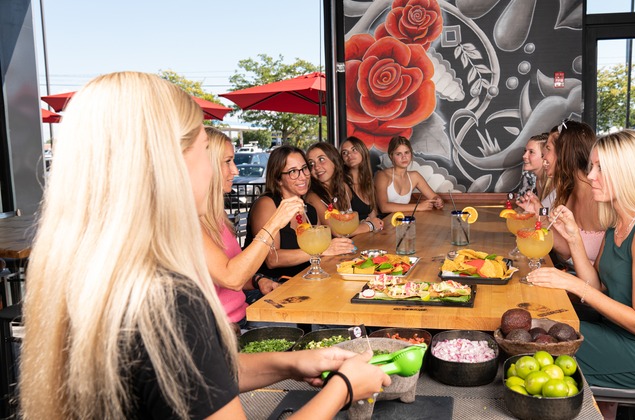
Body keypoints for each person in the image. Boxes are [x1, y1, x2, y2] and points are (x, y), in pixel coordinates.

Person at [18, 72, 390, 419]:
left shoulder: (100, 273)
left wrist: (294, 362)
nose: (220, 171)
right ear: (168, 164)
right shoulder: (169, 301)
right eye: (203, 149)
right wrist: (343, 388)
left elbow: (196, 374)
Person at [527, 130, 635, 420]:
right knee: (534, 329)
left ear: (629, 173)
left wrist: (572, 283)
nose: (591, 175)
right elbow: (600, 287)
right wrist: (574, 240)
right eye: (593, 166)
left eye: (601, 168)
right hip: (616, 333)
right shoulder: (619, 222)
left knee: (533, 346)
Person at [200, 127, 304, 330]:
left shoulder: (218, 217)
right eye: (228, 161)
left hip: (244, 312)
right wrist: (274, 223)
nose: (236, 171)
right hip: (224, 328)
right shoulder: (190, 220)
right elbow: (232, 278)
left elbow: (238, 271)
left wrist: (258, 281)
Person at [246, 145, 355, 280]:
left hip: (304, 282)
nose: (303, 177)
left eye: (304, 169)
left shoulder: (310, 210)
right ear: (278, 179)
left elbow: (321, 254)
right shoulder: (267, 204)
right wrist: (321, 250)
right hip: (272, 287)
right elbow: (272, 259)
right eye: (293, 171)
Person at [518, 121, 603, 264]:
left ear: (564, 153)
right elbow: (567, 251)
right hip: (571, 277)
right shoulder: (568, 192)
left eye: (548, 149)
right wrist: (540, 214)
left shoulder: (601, 197)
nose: (544, 157)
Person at [306, 141, 383, 236]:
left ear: (334, 160)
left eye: (321, 159)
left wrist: (363, 222)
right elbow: (338, 232)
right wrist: (370, 225)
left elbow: (348, 224)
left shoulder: (343, 187)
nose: (316, 167)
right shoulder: (313, 197)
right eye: (311, 164)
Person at [374, 136, 444, 214]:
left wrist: (438, 201)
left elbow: (434, 197)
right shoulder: (382, 175)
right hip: (383, 222)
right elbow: (384, 207)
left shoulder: (415, 176)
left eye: (406, 152)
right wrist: (418, 207)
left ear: (411, 153)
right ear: (391, 156)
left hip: (403, 221)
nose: (404, 157)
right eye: (398, 154)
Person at [339, 136, 384, 230]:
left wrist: (374, 222)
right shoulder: (344, 186)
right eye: (344, 153)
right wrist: (367, 223)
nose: (349, 155)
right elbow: (344, 226)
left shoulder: (368, 183)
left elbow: (373, 217)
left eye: (354, 150)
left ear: (363, 152)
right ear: (342, 160)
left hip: (369, 236)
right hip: (353, 240)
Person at [517, 133, 553, 206]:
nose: (524, 156)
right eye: (525, 151)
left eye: (531, 152)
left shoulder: (554, 183)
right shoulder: (537, 181)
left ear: (544, 155)